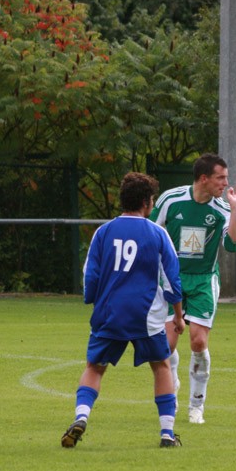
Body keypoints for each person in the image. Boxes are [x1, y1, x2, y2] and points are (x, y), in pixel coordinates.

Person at [61, 172, 186, 449]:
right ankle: (167, 433)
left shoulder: (103, 232)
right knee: (161, 366)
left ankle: (81, 417)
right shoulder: (157, 233)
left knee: (95, 367)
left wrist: (95, 302)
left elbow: (90, 275)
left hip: (110, 313)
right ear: (146, 202)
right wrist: (178, 315)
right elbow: (171, 279)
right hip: (146, 316)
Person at [149, 153, 236, 424]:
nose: (226, 183)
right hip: (171, 279)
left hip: (204, 280)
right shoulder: (171, 199)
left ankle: (197, 405)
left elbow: (233, 246)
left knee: (198, 341)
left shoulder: (222, 208)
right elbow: (151, 232)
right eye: (221, 178)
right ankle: (172, 384)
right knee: (167, 345)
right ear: (204, 178)